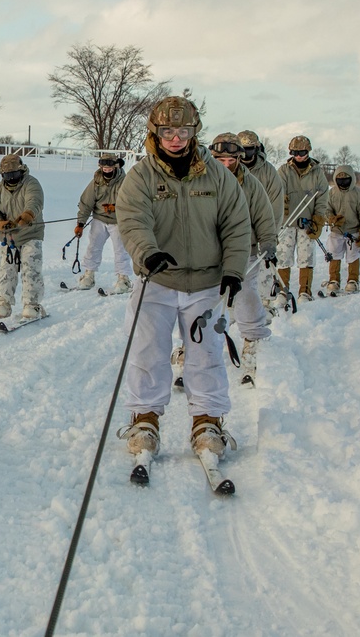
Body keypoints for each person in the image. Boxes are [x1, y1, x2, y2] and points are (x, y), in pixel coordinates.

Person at [114, 96, 251, 462]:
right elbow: (132, 220)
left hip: (205, 284)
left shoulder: (217, 176)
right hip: (156, 280)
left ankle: (207, 421)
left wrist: (234, 271)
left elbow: (236, 225)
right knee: (148, 351)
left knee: (206, 355)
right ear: (155, 133)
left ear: (194, 132)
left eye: (184, 131)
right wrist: (147, 253)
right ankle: (145, 420)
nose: (176, 139)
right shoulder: (140, 177)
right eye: (169, 131)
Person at [209, 133, 277, 381]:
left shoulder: (251, 184)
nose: (226, 165)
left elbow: (264, 216)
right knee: (203, 299)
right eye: (220, 160)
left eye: (231, 160)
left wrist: (268, 241)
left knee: (245, 295)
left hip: (243, 251)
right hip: (208, 251)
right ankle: (195, 345)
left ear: (239, 158)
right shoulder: (200, 181)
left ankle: (254, 340)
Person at [0, 154, 46, 320]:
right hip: (8, 237)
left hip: (31, 233)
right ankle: (3, 303)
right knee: (6, 269)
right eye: (7, 175)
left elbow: (35, 200)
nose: (11, 179)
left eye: (14, 175)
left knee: (30, 268)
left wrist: (28, 215)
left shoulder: (31, 183)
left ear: (21, 171)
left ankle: (32, 305)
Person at [276, 135, 330, 302]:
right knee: (283, 256)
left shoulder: (317, 172)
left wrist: (318, 218)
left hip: (307, 222)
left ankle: (304, 291)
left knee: (306, 256)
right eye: (295, 152)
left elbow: (322, 197)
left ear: (308, 152)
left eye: (302, 152)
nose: (298, 156)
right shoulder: (284, 170)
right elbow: (277, 190)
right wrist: (282, 204)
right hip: (287, 221)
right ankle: (282, 291)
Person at [238, 130, 285, 316]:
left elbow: (275, 203)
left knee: (264, 265)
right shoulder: (230, 169)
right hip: (238, 229)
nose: (245, 155)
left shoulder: (268, 171)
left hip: (262, 227)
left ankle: (265, 303)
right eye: (241, 150)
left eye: (249, 150)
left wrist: (269, 234)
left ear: (256, 149)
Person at [73, 152, 133, 293]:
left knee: (120, 250)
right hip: (99, 219)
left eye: (110, 165)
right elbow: (86, 203)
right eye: (103, 165)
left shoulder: (124, 181)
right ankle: (89, 275)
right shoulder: (96, 181)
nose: (106, 168)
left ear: (115, 165)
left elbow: (131, 202)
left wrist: (116, 207)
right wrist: (80, 224)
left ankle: (123, 279)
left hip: (118, 222)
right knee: (93, 247)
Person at [324, 165, 360, 294]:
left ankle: (353, 280)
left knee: (353, 256)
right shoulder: (332, 193)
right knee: (334, 254)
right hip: (336, 231)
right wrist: (332, 218)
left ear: (351, 178)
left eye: (345, 178)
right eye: (339, 179)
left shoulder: (358, 193)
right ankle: (334, 280)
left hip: (353, 231)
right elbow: (326, 210)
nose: (342, 181)